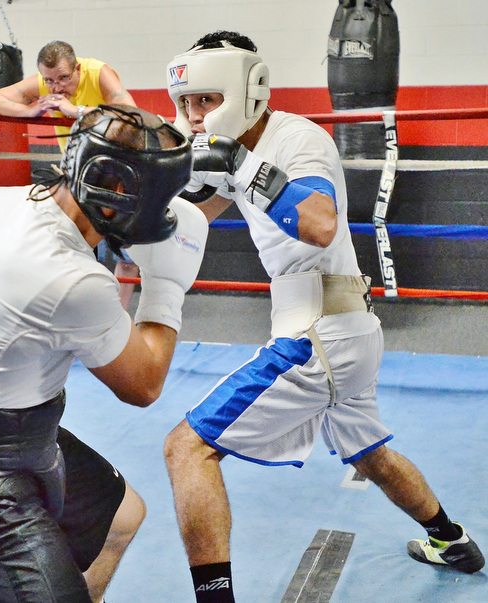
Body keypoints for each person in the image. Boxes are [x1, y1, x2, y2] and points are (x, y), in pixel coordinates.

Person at [163, 30, 484, 603]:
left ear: (247, 91)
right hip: (344, 331)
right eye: (186, 102)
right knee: (372, 456)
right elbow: (198, 213)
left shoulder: (296, 139)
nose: (194, 115)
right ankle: (451, 540)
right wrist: (136, 211)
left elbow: (318, 224)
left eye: (206, 100)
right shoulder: (228, 148)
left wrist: (240, 162)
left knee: (186, 448)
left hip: (320, 334)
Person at [0, 104, 208, 603]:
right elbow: (144, 384)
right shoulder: (74, 279)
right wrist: (167, 283)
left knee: (122, 516)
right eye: (158, 198)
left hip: (17, 435)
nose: (161, 213)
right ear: (117, 192)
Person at [0, 40, 140, 307]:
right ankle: (73, 313)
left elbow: (131, 114)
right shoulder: (45, 83)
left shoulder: (98, 73)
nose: (57, 88)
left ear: (77, 69)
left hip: (117, 175)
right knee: (68, 248)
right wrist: (29, 110)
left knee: (126, 253)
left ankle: (118, 318)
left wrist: (75, 112)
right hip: (76, 175)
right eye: (51, 81)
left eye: (64, 78)